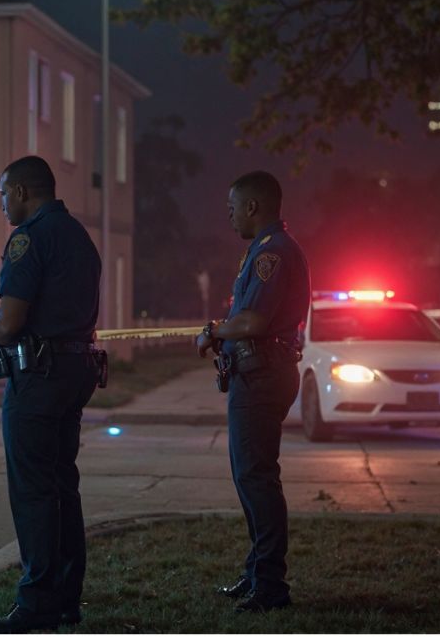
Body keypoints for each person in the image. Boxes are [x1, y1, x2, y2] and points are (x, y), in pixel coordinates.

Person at [0, 155, 102, 633]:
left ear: (24, 192)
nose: (3, 203)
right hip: (75, 371)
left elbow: (10, 322)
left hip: (39, 377)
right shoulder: (79, 236)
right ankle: (66, 598)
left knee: (34, 493)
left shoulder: (29, 238)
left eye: (4, 193)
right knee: (63, 486)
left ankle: (36, 604)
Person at [195, 170, 310, 613]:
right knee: (251, 478)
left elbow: (253, 322)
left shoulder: (273, 254)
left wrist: (213, 331)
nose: (227, 214)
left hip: (262, 375)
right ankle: (257, 571)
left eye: (231, 206)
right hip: (256, 373)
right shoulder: (263, 250)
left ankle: (271, 585)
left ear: (253, 206)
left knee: (257, 479)